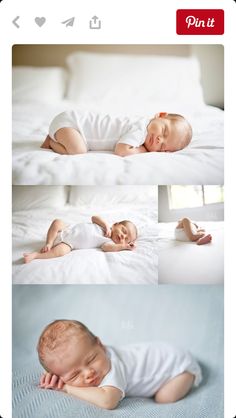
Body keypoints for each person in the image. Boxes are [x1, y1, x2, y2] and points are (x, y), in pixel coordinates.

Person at [37, 320, 202, 410]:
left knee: (163, 398)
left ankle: (189, 376)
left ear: (100, 345)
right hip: (165, 352)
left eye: (91, 359)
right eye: (73, 375)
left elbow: (108, 401)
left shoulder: (112, 367)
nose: (88, 373)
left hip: (178, 365)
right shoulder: (97, 359)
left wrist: (67, 387)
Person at [40, 111, 192, 156]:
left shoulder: (143, 125)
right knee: (78, 150)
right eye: (164, 131)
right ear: (160, 115)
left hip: (70, 125)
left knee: (79, 147)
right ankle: (52, 142)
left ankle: (56, 137)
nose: (159, 139)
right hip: (72, 123)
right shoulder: (141, 129)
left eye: (162, 146)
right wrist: (142, 150)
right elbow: (122, 150)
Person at [23, 216, 137, 263]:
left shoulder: (108, 242)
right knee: (57, 222)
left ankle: (36, 255)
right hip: (65, 229)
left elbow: (107, 248)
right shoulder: (104, 226)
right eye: (124, 231)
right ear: (116, 224)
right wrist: (106, 226)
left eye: (126, 239)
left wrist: (124, 246)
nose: (123, 236)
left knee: (61, 252)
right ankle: (49, 242)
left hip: (68, 243)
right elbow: (94, 218)